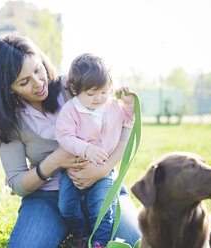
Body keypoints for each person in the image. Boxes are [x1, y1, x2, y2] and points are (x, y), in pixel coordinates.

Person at [0, 33, 141, 248]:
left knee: (133, 240)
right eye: (24, 82)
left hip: (101, 183)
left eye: (38, 70)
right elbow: (18, 184)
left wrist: (103, 170)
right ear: (8, 87)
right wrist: (55, 161)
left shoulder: (73, 86)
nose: (38, 84)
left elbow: (123, 127)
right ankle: (73, 227)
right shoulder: (7, 119)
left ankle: (84, 229)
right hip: (48, 197)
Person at [55, 53, 135, 247]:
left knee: (102, 207)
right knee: (66, 206)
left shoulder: (114, 106)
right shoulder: (71, 110)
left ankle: (100, 242)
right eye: (90, 94)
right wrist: (86, 149)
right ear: (74, 90)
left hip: (104, 170)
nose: (98, 98)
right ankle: (81, 232)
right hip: (75, 170)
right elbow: (64, 136)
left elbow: (128, 120)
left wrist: (130, 105)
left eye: (103, 91)